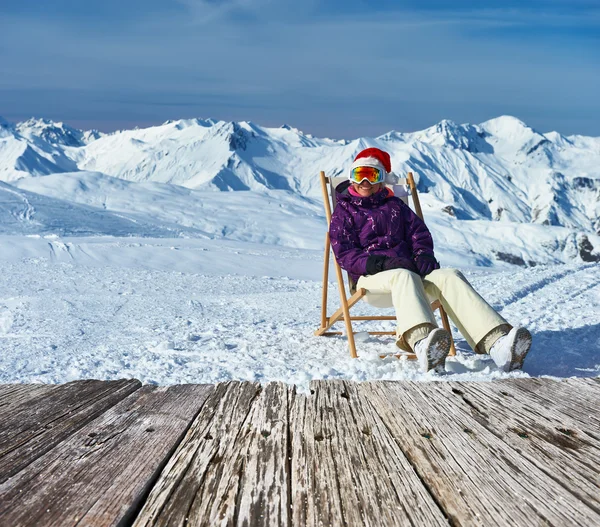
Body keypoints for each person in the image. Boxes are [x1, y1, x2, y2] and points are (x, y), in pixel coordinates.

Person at [329, 147, 532, 373]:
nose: (365, 181)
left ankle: (497, 344)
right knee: (403, 276)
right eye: (359, 174)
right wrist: (380, 263)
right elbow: (344, 254)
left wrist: (423, 254)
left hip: (409, 274)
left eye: (372, 175)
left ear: (382, 180)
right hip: (371, 279)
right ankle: (422, 343)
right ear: (351, 177)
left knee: (450, 276)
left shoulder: (396, 206)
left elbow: (419, 234)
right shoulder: (344, 211)